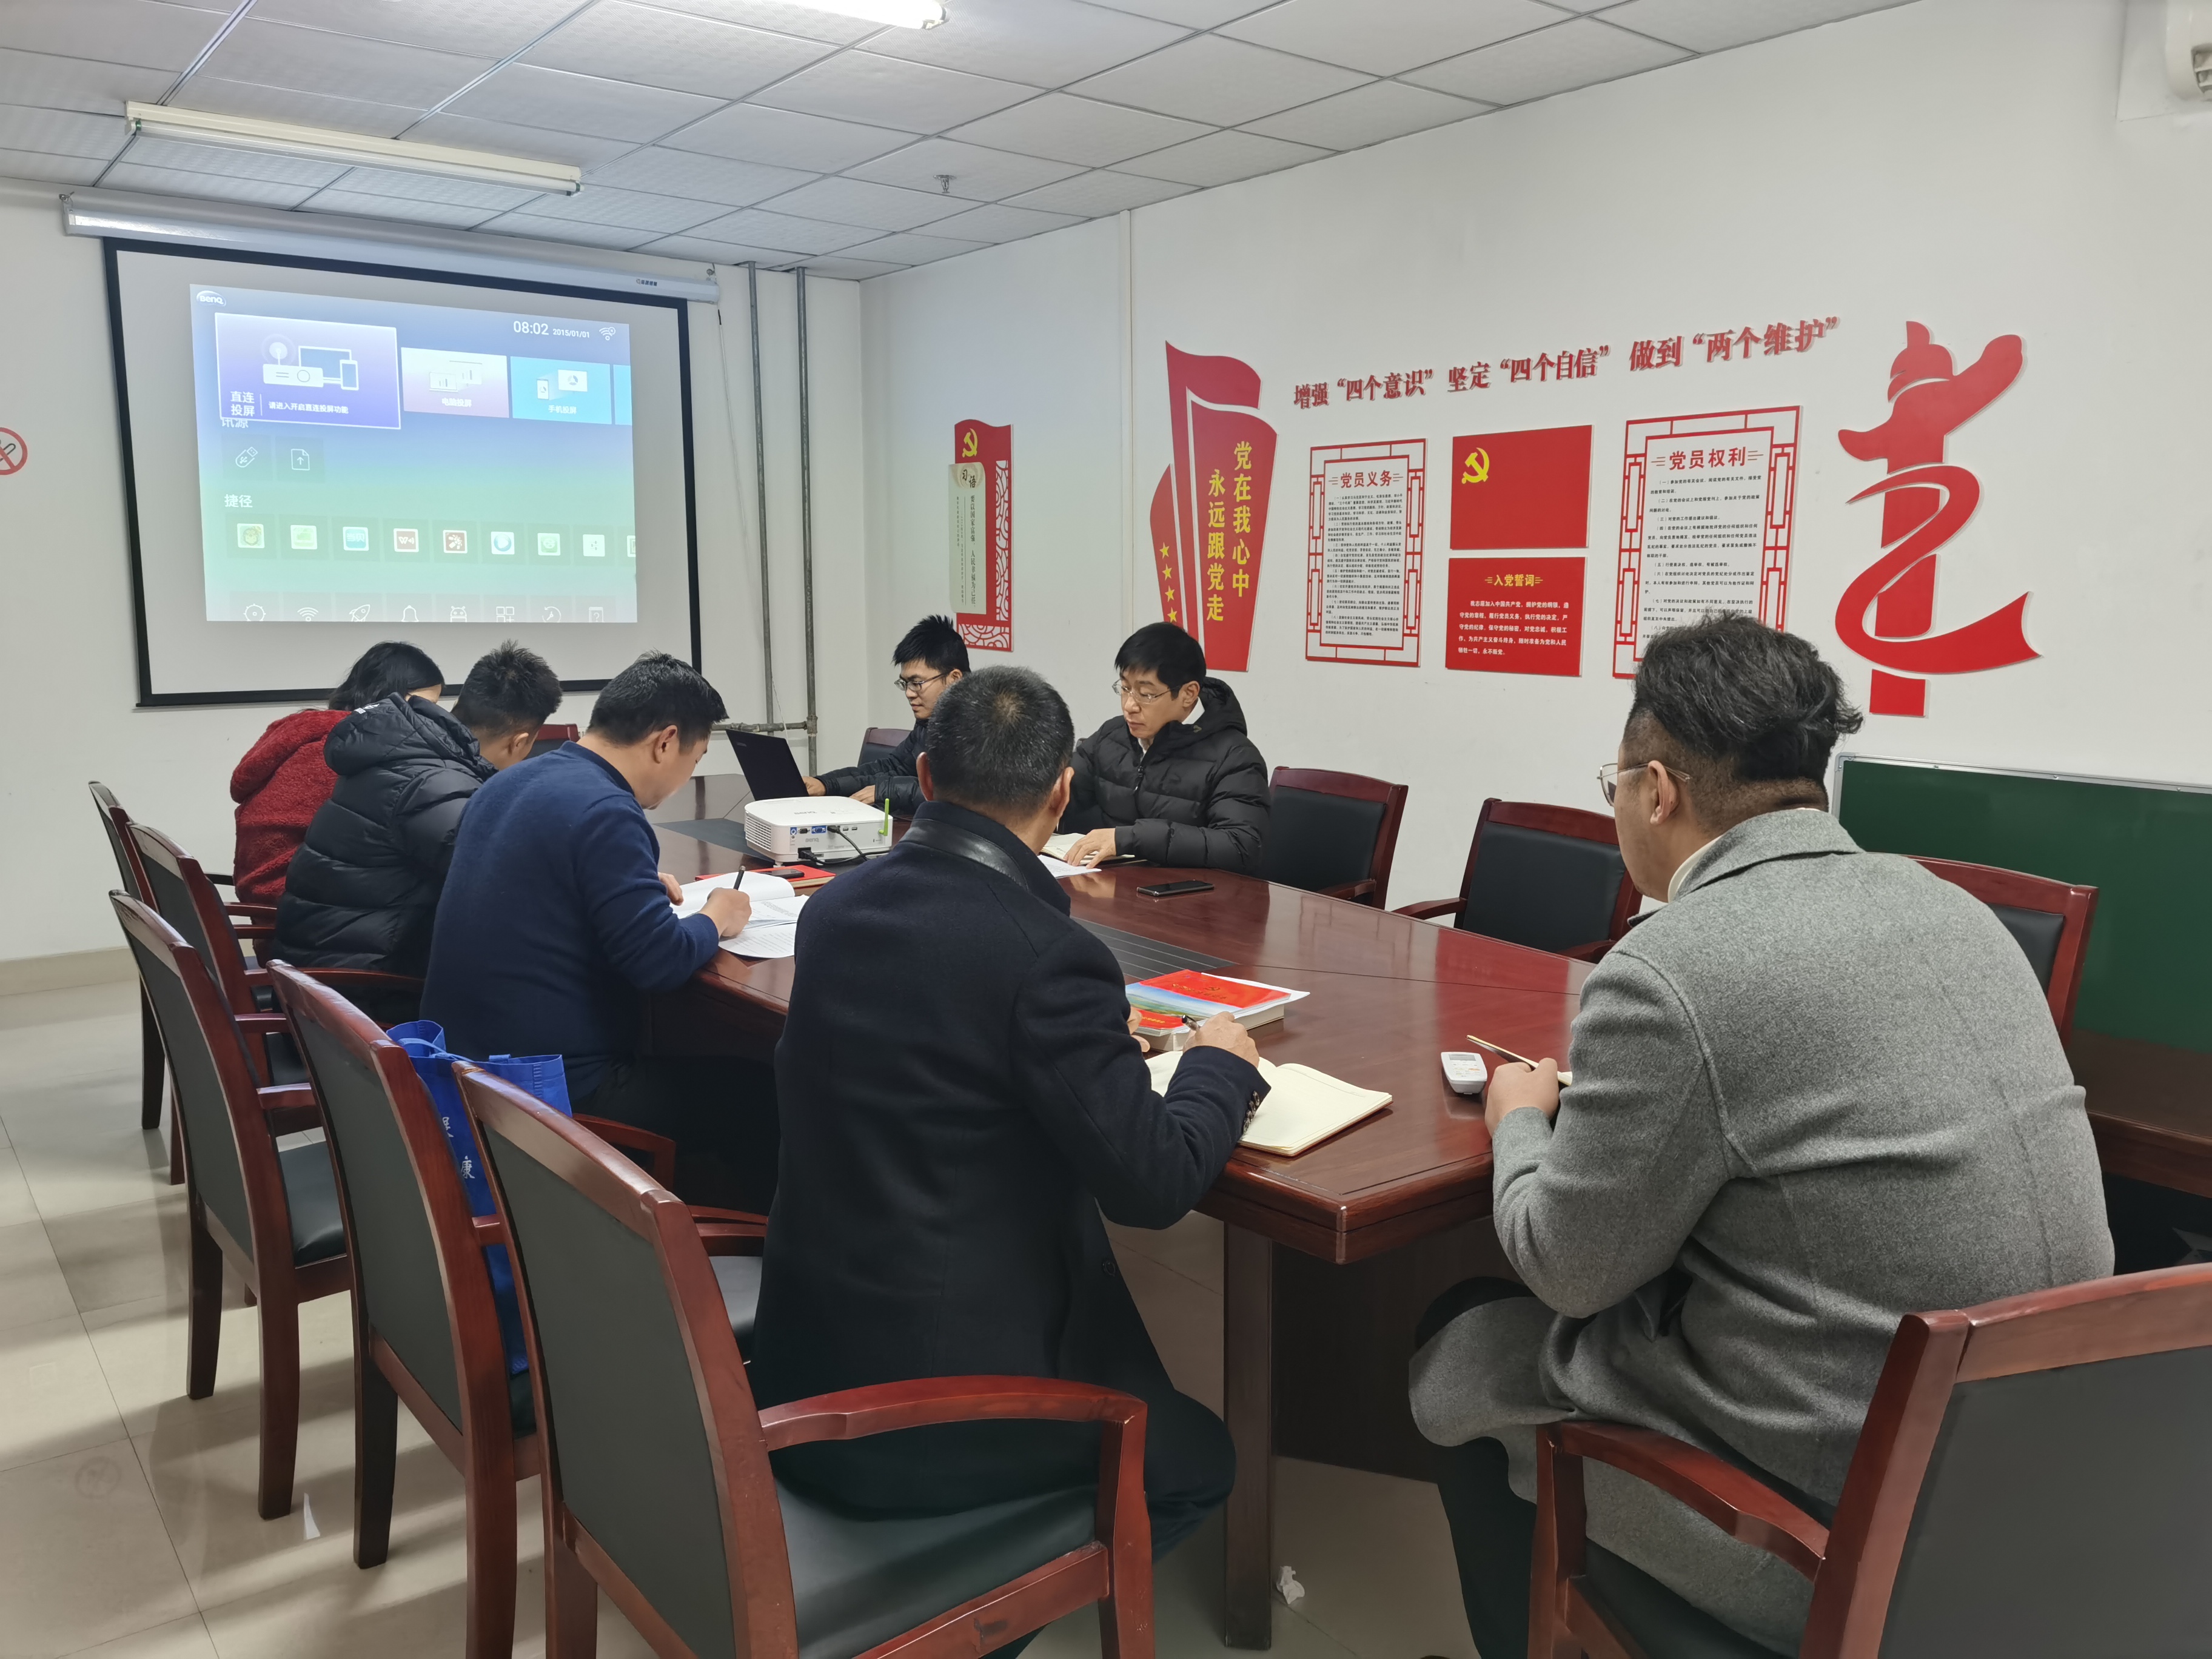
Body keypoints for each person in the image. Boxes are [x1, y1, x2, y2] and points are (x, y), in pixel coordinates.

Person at [1407, 614, 2111, 1657]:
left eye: (1613, 788)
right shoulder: (1961, 913)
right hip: (2031, 1497)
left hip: (1832, 1535)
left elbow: (1568, 1269)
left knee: (1461, 1351)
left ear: (1658, 790)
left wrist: (1517, 1118)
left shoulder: (1670, 968)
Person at [751, 665, 1265, 1570]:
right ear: (1063, 792)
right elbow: (1154, 1184)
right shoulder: (1048, 957)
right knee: (1199, 1464)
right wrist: (1219, 1065)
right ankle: (977, 1615)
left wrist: (1087, 1050)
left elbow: (944, 1043)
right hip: (932, 1410)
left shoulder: (834, 910)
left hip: (801, 1361)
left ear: (927, 778)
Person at [421, 651, 778, 1210]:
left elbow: (540, 887)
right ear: (666, 742)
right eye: (695, 759)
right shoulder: (607, 809)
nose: (686, 777)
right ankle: (727, 1248)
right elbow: (658, 962)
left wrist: (627, 888)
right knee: (765, 1094)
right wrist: (717, 915)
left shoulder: (511, 782)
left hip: (466, 1068)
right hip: (548, 1089)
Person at [273, 642, 564, 977]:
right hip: (361, 981)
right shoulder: (436, 784)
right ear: (520, 742)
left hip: (325, 961)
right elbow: (509, 881)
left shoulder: (404, 753)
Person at [229, 642, 443, 904]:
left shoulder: (307, 734)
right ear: (388, 697)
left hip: (260, 889)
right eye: (422, 705)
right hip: (296, 902)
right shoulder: (349, 751)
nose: (428, 717)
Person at [1057, 622, 1270, 873]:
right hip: (1115, 882)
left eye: (1146, 694)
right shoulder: (1112, 736)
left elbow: (1241, 845)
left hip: (1192, 892)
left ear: (1188, 694)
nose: (1129, 706)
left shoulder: (1235, 757)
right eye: (1125, 688)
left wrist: (1131, 838)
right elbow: (1060, 791)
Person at [802, 612, 966, 816]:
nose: (909, 693)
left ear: (954, 679)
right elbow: (893, 768)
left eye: (917, 683)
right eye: (906, 683)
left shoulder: (984, 726)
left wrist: (884, 791)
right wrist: (826, 784)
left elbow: (956, 795)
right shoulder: (930, 721)